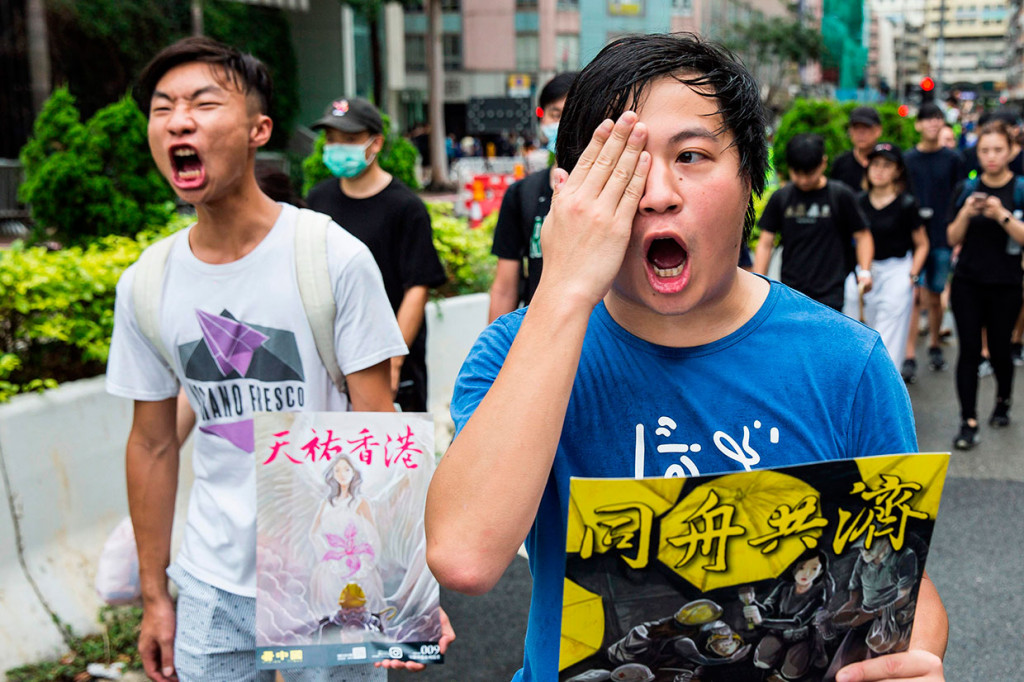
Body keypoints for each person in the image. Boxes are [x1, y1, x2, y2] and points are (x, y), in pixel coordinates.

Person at [425, 32, 946, 682]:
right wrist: (562, 289)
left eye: (692, 155)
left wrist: (910, 660)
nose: (658, 193)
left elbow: (903, 587)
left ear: (753, 180)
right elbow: (465, 557)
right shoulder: (516, 352)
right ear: (571, 192)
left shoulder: (847, 364)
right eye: (621, 163)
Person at [106, 38, 450, 682]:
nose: (179, 120)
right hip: (210, 587)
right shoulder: (147, 283)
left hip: (329, 572)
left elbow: (374, 426)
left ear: (258, 129)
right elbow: (152, 446)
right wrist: (156, 599)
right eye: (163, 108)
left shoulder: (332, 257)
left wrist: (405, 590)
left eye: (204, 103)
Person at [306, 96, 447, 413]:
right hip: (330, 362)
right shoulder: (318, 200)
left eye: (350, 139)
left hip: (390, 366)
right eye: (331, 139)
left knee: (390, 456)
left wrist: (393, 362)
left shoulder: (406, 207)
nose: (338, 146)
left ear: (376, 143)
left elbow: (417, 288)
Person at [946, 120, 1024, 450]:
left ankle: (1003, 401)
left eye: (997, 150)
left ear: (1010, 152)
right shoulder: (965, 188)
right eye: (984, 150)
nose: (991, 157)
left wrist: (1002, 215)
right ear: (976, 153)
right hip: (967, 282)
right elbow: (951, 238)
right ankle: (968, 420)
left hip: (1006, 283)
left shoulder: (1019, 188)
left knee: (1001, 349)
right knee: (969, 351)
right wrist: (966, 212)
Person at [488, 72, 577, 321]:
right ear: (542, 119)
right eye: (555, 114)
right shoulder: (521, 194)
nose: (563, 124)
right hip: (538, 332)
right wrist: (494, 355)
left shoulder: (612, 189)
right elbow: (505, 288)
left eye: (573, 114)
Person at [753, 133, 874, 311]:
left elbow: (863, 235)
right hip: (792, 291)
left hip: (831, 291)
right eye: (797, 173)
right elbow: (765, 242)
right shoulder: (782, 197)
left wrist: (865, 271)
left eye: (809, 174)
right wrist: (758, 283)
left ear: (823, 163)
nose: (803, 180)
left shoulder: (840, 195)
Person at [842, 143, 929, 369]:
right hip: (864, 270)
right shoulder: (857, 201)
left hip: (897, 268)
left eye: (886, 165)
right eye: (875, 164)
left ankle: (887, 384)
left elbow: (922, 244)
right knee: (855, 323)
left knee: (889, 331)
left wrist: (912, 276)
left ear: (897, 170)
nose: (879, 170)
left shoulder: (906, 204)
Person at [902, 102, 966, 382]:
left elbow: (960, 195)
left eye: (937, 119)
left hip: (941, 235)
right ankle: (909, 354)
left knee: (936, 294)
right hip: (912, 238)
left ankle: (935, 344)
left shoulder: (953, 159)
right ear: (918, 125)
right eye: (927, 119)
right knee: (913, 295)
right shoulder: (907, 160)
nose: (932, 124)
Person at [831, 107, 883, 191]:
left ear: (878, 130)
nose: (860, 133)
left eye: (866, 128)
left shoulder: (888, 163)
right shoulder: (840, 163)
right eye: (856, 128)